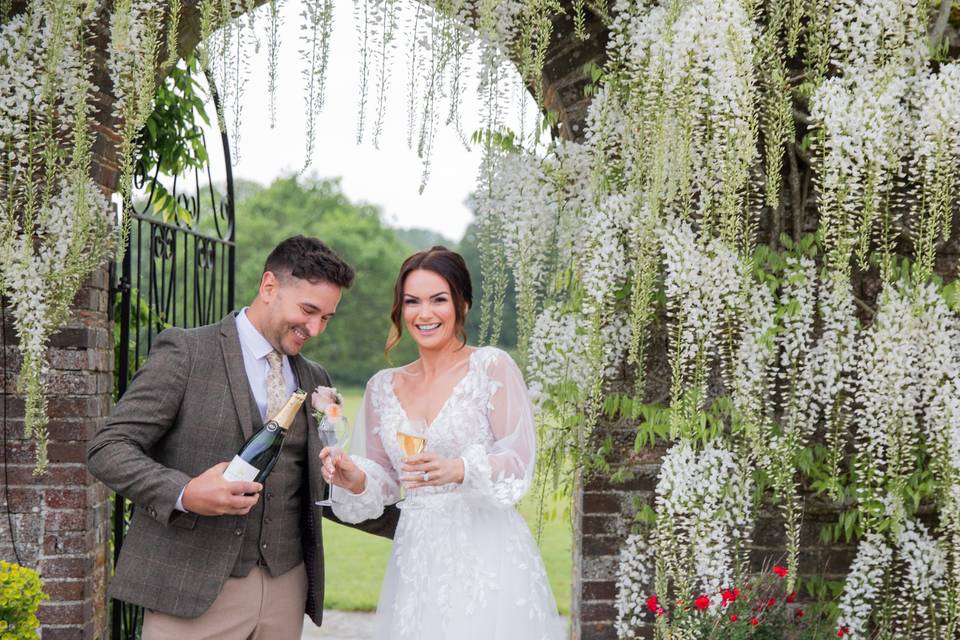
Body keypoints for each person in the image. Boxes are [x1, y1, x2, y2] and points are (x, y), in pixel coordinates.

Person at [87, 235, 399, 640]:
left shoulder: (314, 377)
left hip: (287, 586)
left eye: (326, 318)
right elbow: (108, 448)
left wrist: (405, 519)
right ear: (269, 286)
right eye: (308, 311)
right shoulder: (187, 352)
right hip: (191, 587)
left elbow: (311, 487)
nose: (315, 329)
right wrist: (186, 492)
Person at [320, 246, 565, 640]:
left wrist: (461, 469)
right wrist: (354, 477)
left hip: (488, 552)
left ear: (462, 305)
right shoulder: (383, 387)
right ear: (401, 310)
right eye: (412, 301)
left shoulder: (490, 367)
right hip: (418, 553)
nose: (425, 313)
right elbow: (384, 480)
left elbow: (518, 459)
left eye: (439, 299)